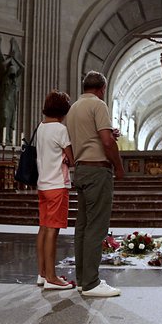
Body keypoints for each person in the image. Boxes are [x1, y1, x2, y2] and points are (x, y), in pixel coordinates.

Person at [66, 71, 125, 297]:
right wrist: (119, 168)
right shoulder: (99, 105)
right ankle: (91, 283)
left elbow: (87, 136)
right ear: (102, 88)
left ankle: (82, 279)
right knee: (96, 227)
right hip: (98, 170)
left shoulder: (73, 109)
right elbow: (107, 142)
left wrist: (109, 133)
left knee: (82, 227)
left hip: (81, 170)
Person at [35, 90, 75, 290]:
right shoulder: (60, 129)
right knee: (53, 230)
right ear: (63, 109)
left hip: (42, 185)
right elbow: (72, 157)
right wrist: (69, 158)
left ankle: (42, 274)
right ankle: (52, 277)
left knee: (43, 228)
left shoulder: (41, 127)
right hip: (57, 185)